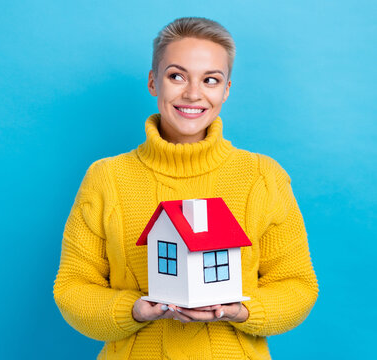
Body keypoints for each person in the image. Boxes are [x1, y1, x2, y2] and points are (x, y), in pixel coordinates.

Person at [54, 17, 318, 360]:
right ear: (153, 82)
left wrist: (240, 310)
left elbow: (298, 287)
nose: (193, 93)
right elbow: (72, 289)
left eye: (210, 80)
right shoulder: (107, 177)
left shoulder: (262, 177)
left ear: (225, 90)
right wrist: (133, 309)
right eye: (176, 76)